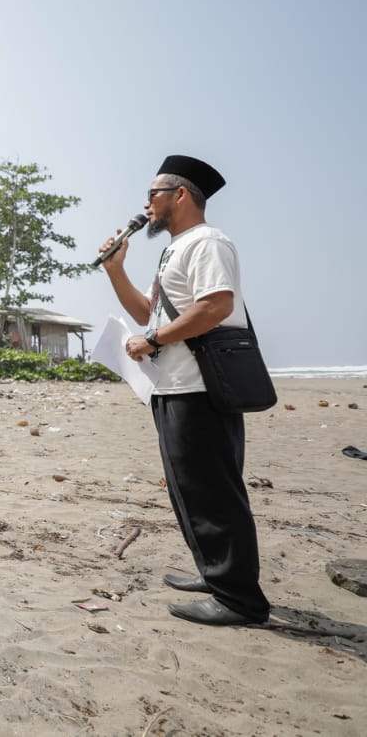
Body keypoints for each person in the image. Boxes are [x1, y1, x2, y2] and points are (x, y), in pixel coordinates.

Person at [99, 154, 269, 627]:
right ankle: (215, 575)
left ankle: (240, 601)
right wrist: (115, 270)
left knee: (214, 493)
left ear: (180, 195)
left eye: (152, 195)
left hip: (199, 388)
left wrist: (152, 341)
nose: (146, 205)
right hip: (171, 387)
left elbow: (215, 307)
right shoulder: (174, 249)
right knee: (191, 492)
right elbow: (147, 314)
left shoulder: (208, 242)